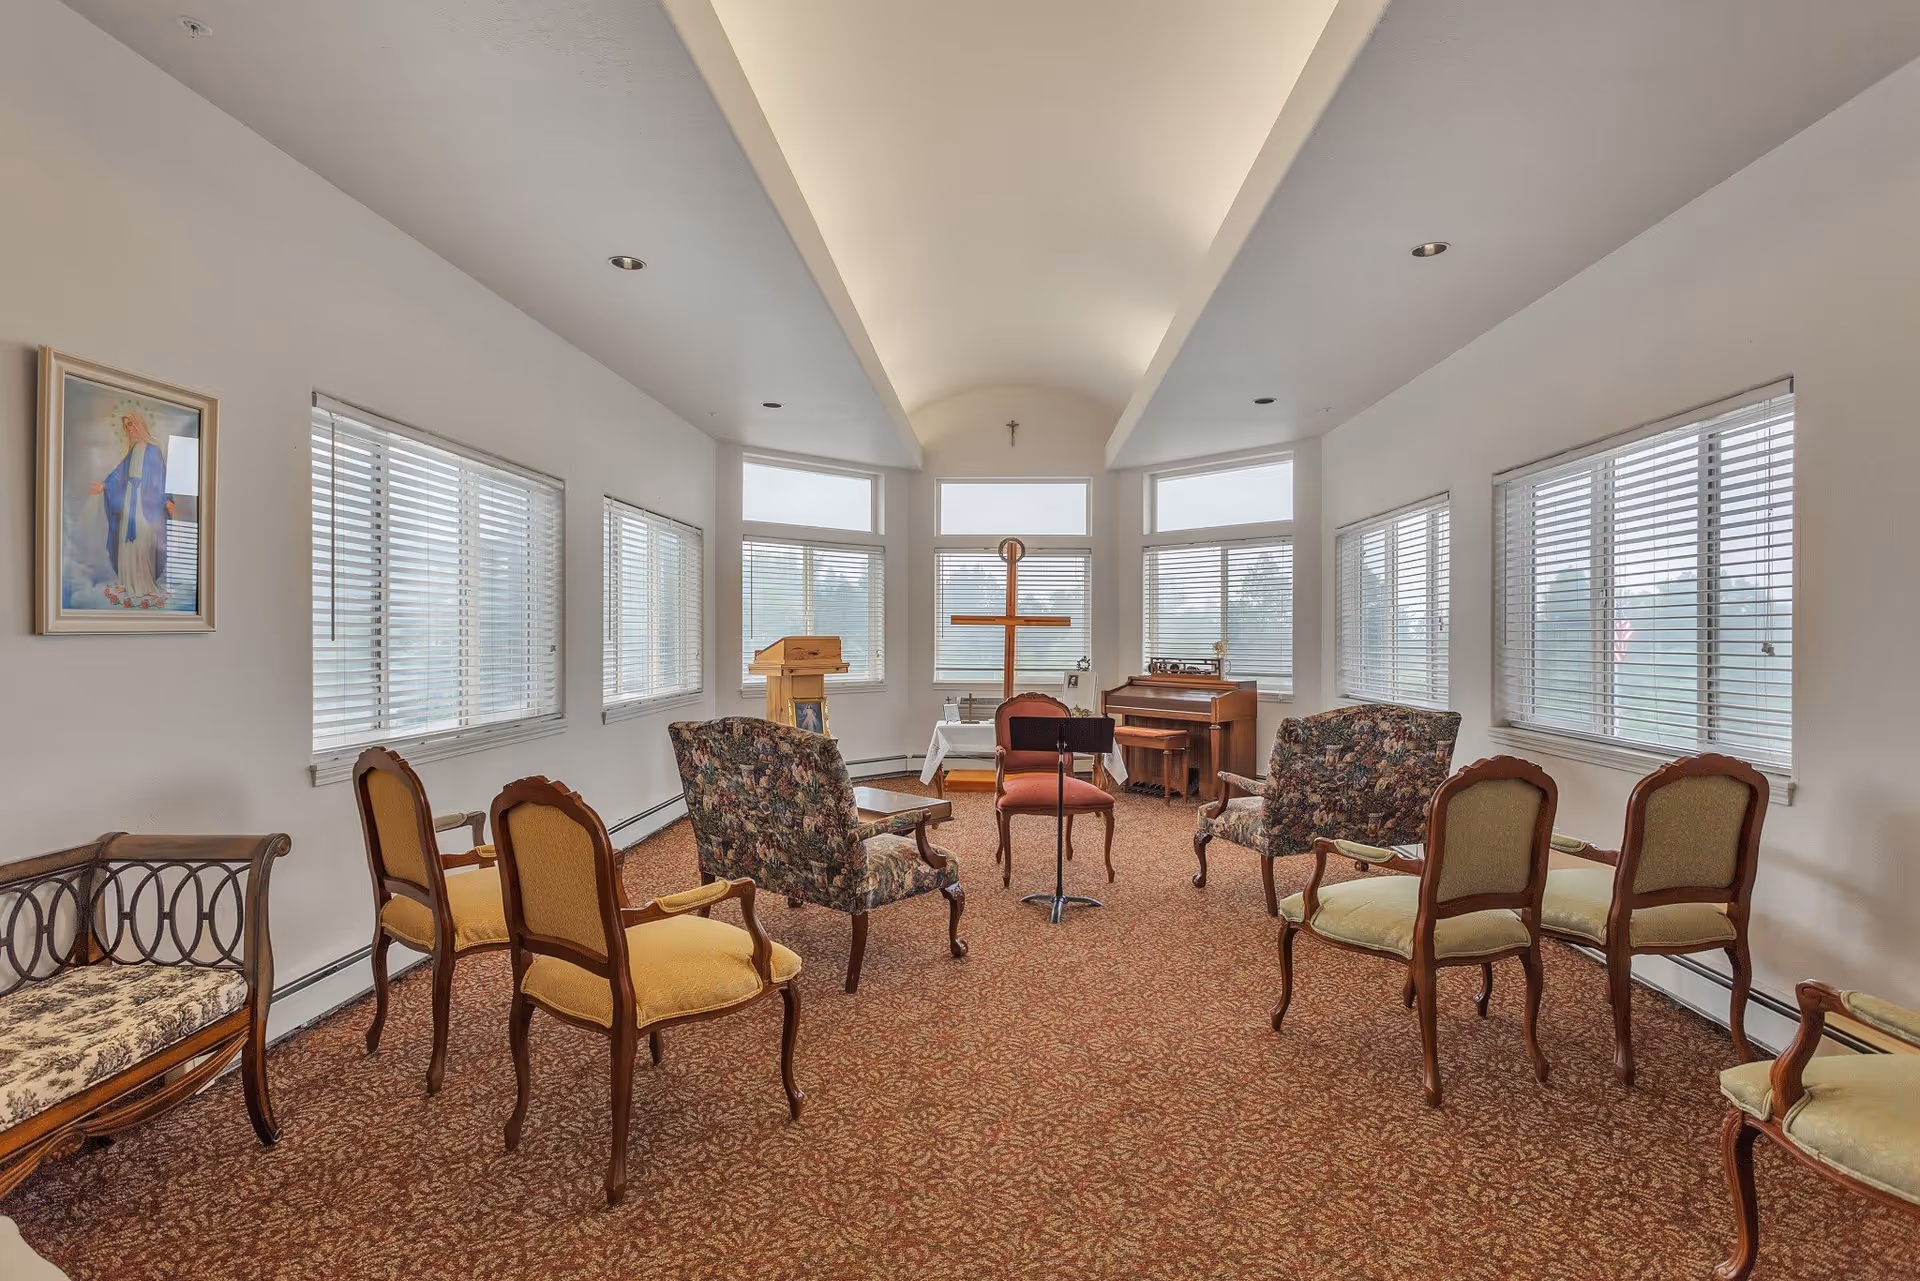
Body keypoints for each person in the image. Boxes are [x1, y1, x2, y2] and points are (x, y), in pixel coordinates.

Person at [89, 405, 175, 609]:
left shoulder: (153, 451)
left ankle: (144, 582)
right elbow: (119, 472)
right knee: (126, 541)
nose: (129, 429)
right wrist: (103, 485)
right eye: (126, 426)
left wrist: (167, 500)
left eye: (131, 424)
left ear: (140, 425)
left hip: (145, 500)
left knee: (142, 539)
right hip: (129, 497)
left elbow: (161, 478)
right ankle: (126, 582)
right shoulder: (133, 451)